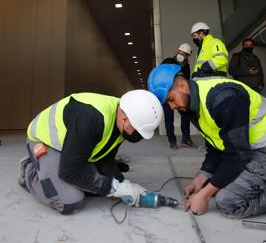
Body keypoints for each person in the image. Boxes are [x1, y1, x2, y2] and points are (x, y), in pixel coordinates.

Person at [147, 64, 266, 218]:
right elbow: (217, 145)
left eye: (171, 99)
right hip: (255, 150)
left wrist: (205, 195)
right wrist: (201, 179)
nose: (172, 107)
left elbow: (237, 156)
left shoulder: (223, 98)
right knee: (215, 183)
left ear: (181, 85)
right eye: (167, 104)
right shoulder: (193, 105)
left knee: (229, 201)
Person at [17, 90, 163, 215]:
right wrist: (115, 188)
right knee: (69, 201)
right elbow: (70, 171)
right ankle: (29, 171)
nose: (138, 136)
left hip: (72, 147)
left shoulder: (121, 120)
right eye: (137, 130)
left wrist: (124, 183)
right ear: (124, 118)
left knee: (91, 186)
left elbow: (105, 159)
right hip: (45, 141)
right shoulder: (90, 117)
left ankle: (48, 170)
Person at [161, 43, 196, 149]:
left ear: (188, 56)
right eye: (179, 52)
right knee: (169, 117)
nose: (180, 55)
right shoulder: (168, 61)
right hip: (168, 93)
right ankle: (172, 141)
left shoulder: (187, 67)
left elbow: (186, 80)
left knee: (185, 115)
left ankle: (186, 139)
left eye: (184, 54)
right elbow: (160, 74)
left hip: (180, 96)